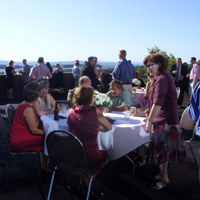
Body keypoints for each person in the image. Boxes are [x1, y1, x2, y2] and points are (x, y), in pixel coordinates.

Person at [143, 54, 186, 190]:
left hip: (165, 121)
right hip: (165, 119)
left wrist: (149, 121)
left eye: (150, 65)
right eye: (147, 66)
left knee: (163, 152)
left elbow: (158, 103)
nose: (148, 68)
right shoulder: (161, 78)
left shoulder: (162, 79)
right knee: (164, 151)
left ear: (159, 64)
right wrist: (148, 112)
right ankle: (162, 174)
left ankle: (165, 179)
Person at [67, 85, 112, 168]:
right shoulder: (95, 111)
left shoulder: (72, 111)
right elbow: (109, 127)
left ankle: (85, 174)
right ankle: (91, 175)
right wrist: (98, 128)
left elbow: (70, 124)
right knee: (108, 153)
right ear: (91, 98)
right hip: (91, 156)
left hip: (73, 154)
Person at [9, 82, 44, 151]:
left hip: (17, 136)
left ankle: (44, 159)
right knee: (49, 140)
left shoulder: (23, 103)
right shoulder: (28, 109)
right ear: (36, 95)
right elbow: (34, 131)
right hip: (19, 141)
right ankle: (45, 160)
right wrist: (48, 133)